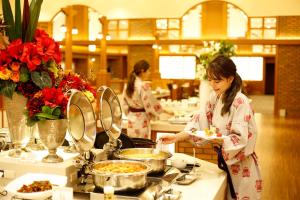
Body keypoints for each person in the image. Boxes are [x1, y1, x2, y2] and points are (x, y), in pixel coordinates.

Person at [160, 55, 262, 200]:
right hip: (226, 162)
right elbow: (200, 120)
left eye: (217, 80)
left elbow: (239, 139)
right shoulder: (216, 97)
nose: (213, 85)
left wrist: (218, 139)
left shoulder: (240, 102)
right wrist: (177, 137)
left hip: (242, 166)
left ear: (230, 78)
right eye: (210, 80)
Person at [122, 59, 173, 139]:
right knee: (142, 146)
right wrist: (166, 111)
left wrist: (130, 113)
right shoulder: (143, 86)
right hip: (142, 121)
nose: (149, 73)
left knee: (133, 146)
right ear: (142, 71)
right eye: (148, 70)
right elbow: (151, 104)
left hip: (131, 120)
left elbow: (124, 104)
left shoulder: (127, 85)